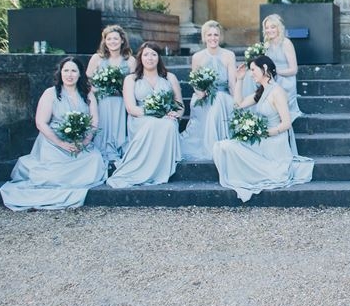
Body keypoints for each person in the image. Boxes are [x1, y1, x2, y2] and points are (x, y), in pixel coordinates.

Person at [0, 57, 107, 210]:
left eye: (73, 71)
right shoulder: (51, 93)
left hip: (80, 142)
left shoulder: (87, 94)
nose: (69, 75)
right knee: (53, 174)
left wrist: (85, 142)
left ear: (79, 74)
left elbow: (94, 121)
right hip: (53, 142)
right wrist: (61, 143)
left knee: (94, 159)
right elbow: (41, 123)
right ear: (60, 73)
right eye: (66, 70)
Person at [212, 55, 313, 202]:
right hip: (263, 138)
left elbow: (286, 123)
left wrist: (263, 133)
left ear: (264, 69)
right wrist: (239, 79)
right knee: (222, 146)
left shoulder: (277, 92)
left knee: (227, 146)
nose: (251, 73)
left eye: (253, 70)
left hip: (274, 141)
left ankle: (262, 171)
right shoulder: (262, 91)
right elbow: (238, 104)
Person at [107, 42, 184, 188]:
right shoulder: (131, 79)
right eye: (146, 54)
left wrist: (176, 114)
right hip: (140, 118)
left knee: (168, 125)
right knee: (152, 123)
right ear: (140, 58)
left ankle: (160, 168)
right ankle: (141, 168)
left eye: (154, 54)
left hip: (166, 118)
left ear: (159, 58)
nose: (150, 58)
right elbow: (130, 108)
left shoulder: (170, 78)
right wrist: (155, 113)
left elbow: (180, 105)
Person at [179, 21, 237, 161]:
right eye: (209, 35)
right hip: (203, 96)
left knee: (219, 100)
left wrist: (237, 101)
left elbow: (232, 83)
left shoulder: (229, 55)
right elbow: (195, 82)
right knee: (209, 102)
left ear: (220, 37)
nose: (213, 38)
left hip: (223, 96)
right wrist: (200, 93)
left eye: (216, 35)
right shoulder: (197, 57)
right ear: (204, 37)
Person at [86, 24, 137, 167]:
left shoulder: (130, 60)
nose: (112, 42)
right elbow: (87, 80)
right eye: (109, 39)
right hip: (101, 100)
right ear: (105, 41)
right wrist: (99, 88)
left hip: (122, 101)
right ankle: (103, 150)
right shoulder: (97, 58)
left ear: (122, 40)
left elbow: (135, 82)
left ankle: (118, 148)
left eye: (116, 38)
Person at [261, 13, 302, 121]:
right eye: (267, 27)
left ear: (279, 28)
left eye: (273, 27)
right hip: (272, 79)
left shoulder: (286, 43)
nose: (269, 30)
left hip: (285, 80)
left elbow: (294, 70)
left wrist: (276, 72)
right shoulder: (266, 45)